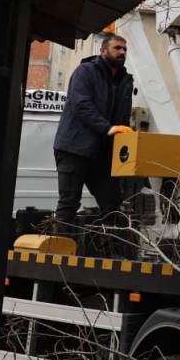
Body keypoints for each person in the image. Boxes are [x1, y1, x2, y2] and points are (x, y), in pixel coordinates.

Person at [53, 32, 134, 242]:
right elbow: (81, 105)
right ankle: (60, 254)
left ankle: (106, 251)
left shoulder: (125, 80)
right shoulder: (85, 72)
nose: (122, 52)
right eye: (117, 48)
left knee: (112, 204)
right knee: (69, 202)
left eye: (124, 49)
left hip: (101, 153)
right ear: (103, 50)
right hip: (74, 148)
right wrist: (107, 128)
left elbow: (123, 118)